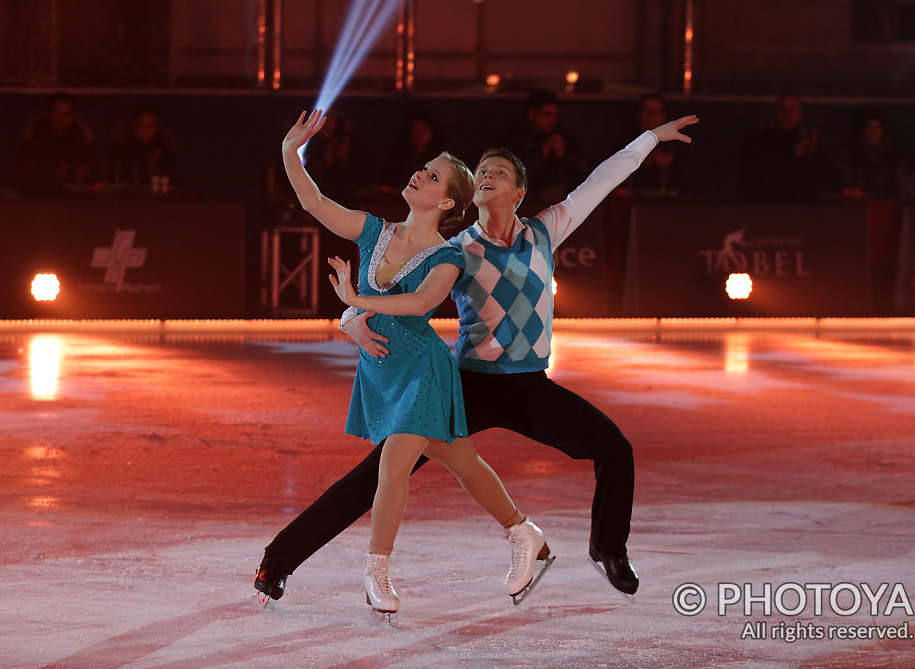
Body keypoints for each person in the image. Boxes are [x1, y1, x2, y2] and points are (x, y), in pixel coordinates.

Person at [254, 111, 700, 603]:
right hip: (466, 384)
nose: (488, 176)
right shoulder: (455, 249)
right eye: (483, 171)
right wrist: (349, 320)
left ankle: (608, 549)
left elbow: (601, 180)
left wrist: (652, 138)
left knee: (615, 449)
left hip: (531, 388)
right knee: (380, 472)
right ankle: (280, 559)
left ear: (518, 193)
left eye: (500, 172)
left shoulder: (547, 231)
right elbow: (399, 292)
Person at [273, 109, 553, 615]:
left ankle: (376, 570)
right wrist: (291, 151)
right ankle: (523, 531)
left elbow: (419, 305)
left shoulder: (448, 257)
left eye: (431, 175)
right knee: (461, 461)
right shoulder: (374, 231)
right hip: (384, 370)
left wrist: (356, 302)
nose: (418, 174)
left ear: (446, 200)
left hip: (423, 370)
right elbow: (313, 201)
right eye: (422, 168)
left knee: (394, 465)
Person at [497, 88, 588, 212]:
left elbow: (581, 172)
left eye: (555, 116)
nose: (552, 121)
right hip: (523, 205)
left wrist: (563, 155)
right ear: (532, 114)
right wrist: (541, 154)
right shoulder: (515, 139)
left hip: (557, 206)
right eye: (546, 115)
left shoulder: (561, 136)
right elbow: (513, 176)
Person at [739, 93, 831, 203]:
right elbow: (761, 177)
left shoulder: (807, 138)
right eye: (783, 109)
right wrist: (794, 156)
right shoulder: (762, 139)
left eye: (793, 109)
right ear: (777, 112)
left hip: (802, 207)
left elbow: (823, 178)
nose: (787, 114)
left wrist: (812, 152)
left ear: (801, 113)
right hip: (769, 206)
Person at [17, 92, 95, 197]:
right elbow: (26, 182)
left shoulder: (81, 139)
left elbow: (94, 176)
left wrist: (84, 178)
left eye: (67, 114)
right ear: (49, 115)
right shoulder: (35, 141)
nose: (62, 120)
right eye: (57, 113)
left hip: (77, 204)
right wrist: (53, 179)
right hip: (43, 204)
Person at [622, 93, 698, 195]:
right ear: (638, 115)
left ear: (664, 115)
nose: (651, 117)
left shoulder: (678, 143)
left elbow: (691, 180)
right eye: (646, 112)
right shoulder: (625, 142)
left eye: (656, 113)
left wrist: (668, 166)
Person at [303, 108, 374, 207]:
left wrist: (346, 161)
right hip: (316, 207)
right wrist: (324, 164)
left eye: (331, 117)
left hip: (345, 206)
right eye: (321, 117)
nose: (326, 122)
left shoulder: (349, 143)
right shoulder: (306, 146)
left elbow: (365, 178)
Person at [837, 108, 904, 199]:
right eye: (870, 127)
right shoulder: (851, 154)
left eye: (878, 127)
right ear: (863, 130)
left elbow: (900, 183)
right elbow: (847, 183)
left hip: (887, 202)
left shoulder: (893, 154)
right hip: (861, 204)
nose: (874, 131)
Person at [107, 106, 178, 190]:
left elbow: (175, 183)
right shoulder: (121, 152)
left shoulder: (166, 154)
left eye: (151, 126)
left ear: (157, 128)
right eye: (141, 125)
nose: (145, 130)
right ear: (134, 126)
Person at [380, 110, 446, 191]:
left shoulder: (440, 159)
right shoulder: (399, 158)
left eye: (424, 128)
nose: (420, 133)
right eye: (415, 129)